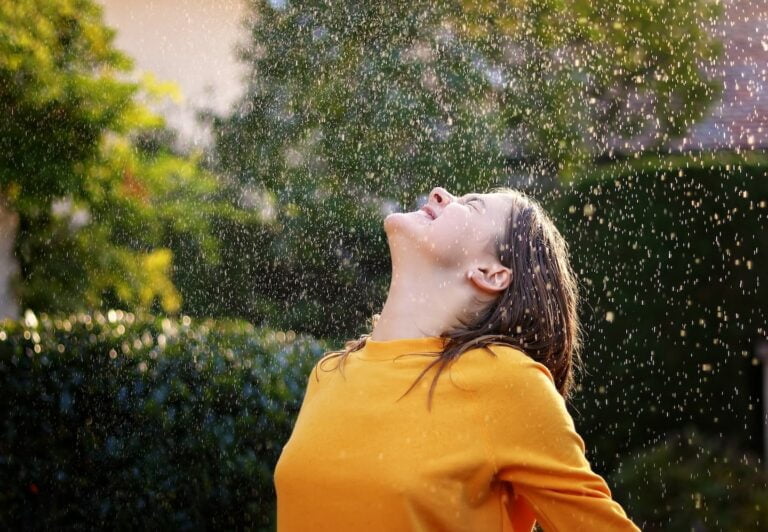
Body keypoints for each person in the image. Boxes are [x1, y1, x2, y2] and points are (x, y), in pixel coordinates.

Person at [273, 186, 641, 531]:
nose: (438, 194)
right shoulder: (330, 372)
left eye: (472, 205)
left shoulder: (506, 382)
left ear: (490, 273)